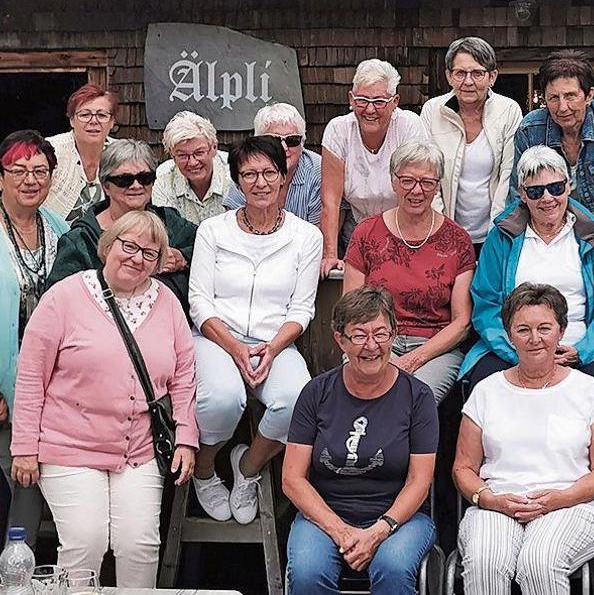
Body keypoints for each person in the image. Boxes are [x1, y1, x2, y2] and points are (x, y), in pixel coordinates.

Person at [12, 211, 198, 587]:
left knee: (140, 543)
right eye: (128, 246)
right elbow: (31, 375)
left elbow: (183, 376)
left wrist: (186, 439)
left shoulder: (167, 303)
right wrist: (24, 447)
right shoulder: (64, 297)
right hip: (69, 445)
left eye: (150, 253)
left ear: (160, 262)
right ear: (107, 247)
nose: (136, 257)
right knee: (85, 541)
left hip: (138, 449)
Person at [188, 136, 322, 524]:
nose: (260, 182)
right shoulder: (213, 231)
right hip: (216, 338)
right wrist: (234, 348)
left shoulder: (305, 237)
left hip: (274, 342)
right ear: (237, 182)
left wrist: (273, 347)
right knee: (222, 400)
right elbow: (200, 302)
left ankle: (247, 467)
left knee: (298, 398)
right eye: (249, 174)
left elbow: (302, 308)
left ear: (283, 178)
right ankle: (204, 469)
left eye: (268, 173)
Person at [453, 283, 594, 594]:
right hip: (497, 502)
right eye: (523, 329)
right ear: (508, 334)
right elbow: (463, 469)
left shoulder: (589, 390)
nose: (535, 338)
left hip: (570, 504)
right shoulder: (487, 391)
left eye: (544, 328)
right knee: (485, 562)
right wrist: (489, 499)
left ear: (562, 330)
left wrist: (560, 498)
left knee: (539, 562)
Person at [462, 145, 594, 426]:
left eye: (555, 188)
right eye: (535, 191)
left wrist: (582, 350)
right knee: (482, 385)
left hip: (582, 343)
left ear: (569, 186)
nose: (547, 198)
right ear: (522, 195)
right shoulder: (502, 237)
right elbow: (486, 303)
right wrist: (515, 350)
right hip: (513, 344)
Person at [284, 287, 437, 595]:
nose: (372, 346)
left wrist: (379, 531)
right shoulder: (316, 393)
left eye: (381, 334)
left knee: (392, 569)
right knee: (307, 573)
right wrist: (339, 530)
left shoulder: (418, 397)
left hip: (399, 520)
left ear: (393, 335)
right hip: (325, 515)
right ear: (340, 339)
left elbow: (420, 481)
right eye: (359, 335)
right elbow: (292, 479)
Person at [344, 141, 474, 404]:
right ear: (393, 181)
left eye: (427, 182)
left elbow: (461, 322)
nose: (417, 190)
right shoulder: (366, 233)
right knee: (368, 391)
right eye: (407, 181)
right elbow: (351, 310)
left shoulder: (457, 240)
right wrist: (378, 349)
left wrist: (413, 360)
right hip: (373, 339)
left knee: (411, 400)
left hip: (435, 348)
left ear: (437, 185)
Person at [0, 130, 69, 546]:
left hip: (49, 388)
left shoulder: (60, 231)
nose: (30, 180)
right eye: (19, 170)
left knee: (29, 480)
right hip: (4, 392)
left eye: (40, 171)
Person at [46, 139, 197, 312]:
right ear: (105, 186)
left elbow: (210, 247)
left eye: (144, 178)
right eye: (125, 180)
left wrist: (183, 258)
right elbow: (57, 300)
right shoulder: (81, 239)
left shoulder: (169, 221)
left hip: (172, 326)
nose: (136, 185)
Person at [510, 50, 594, 238]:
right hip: (545, 234)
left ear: (589, 95)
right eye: (553, 98)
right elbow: (517, 195)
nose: (562, 107)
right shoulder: (530, 129)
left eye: (570, 96)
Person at [320, 58, 427, 276]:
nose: (369, 109)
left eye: (379, 101)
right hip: (358, 229)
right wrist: (330, 254)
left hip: (404, 228)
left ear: (395, 101)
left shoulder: (409, 126)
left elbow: (417, 190)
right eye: (361, 100)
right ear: (351, 98)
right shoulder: (338, 130)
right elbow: (330, 200)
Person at [421, 37, 523, 251]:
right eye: (460, 73)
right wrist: (443, 229)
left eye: (477, 73)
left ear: (492, 77)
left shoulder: (508, 111)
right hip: (443, 230)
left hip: (495, 232)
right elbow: (428, 173)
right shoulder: (433, 110)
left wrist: (498, 232)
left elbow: (508, 175)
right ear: (449, 76)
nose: (468, 81)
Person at [224, 103, 322, 225]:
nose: (284, 148)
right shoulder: (245, 167)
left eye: (292, 140)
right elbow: (234, 226)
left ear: (302, 143)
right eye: (274, 140)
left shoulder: (318, 170)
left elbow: (318, 235)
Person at [152, 111, 243, 224]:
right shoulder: (164, 179)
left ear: (214, 148)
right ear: (172, 156)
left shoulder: (236, 173)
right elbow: (166, 230)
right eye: (182, 155)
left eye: (199, 153)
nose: (192, 162)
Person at [45, 84, 118, 221]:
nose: (93, 121)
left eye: (102, 115)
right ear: (72, 120)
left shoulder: (121, 154)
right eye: (85, 115)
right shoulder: (52, 150)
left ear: (112, 122)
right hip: (56, 236)